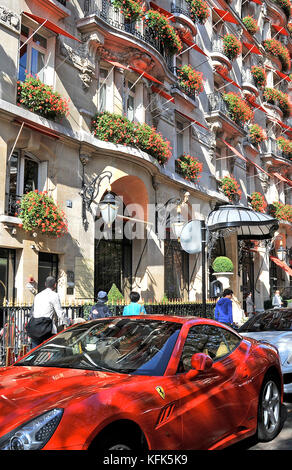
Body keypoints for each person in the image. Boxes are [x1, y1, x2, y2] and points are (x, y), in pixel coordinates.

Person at [28, 276, 70, 349]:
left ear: (45, 284)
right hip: (46, 327)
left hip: (35, 326)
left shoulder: (38, 295)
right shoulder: (54, 295)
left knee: (34, 352)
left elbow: (33, 312)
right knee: (53, 350)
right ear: (55, 285)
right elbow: (60, 313)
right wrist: (68, 322)